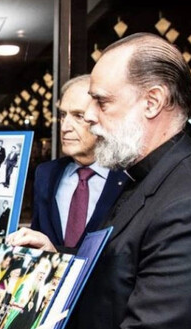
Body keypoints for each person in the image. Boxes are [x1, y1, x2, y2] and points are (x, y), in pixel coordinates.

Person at [0, 33, 191, 329]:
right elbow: (127, 267)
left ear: (152, 102)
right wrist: (60, 253)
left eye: (102, 102)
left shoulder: (183, 200)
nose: (89, 116)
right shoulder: (145, 175)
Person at [30, 74, 126, 248]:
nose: (65, 127)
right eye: (62, 115)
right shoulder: (45, 174)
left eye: (79, 116)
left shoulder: (129, 178)